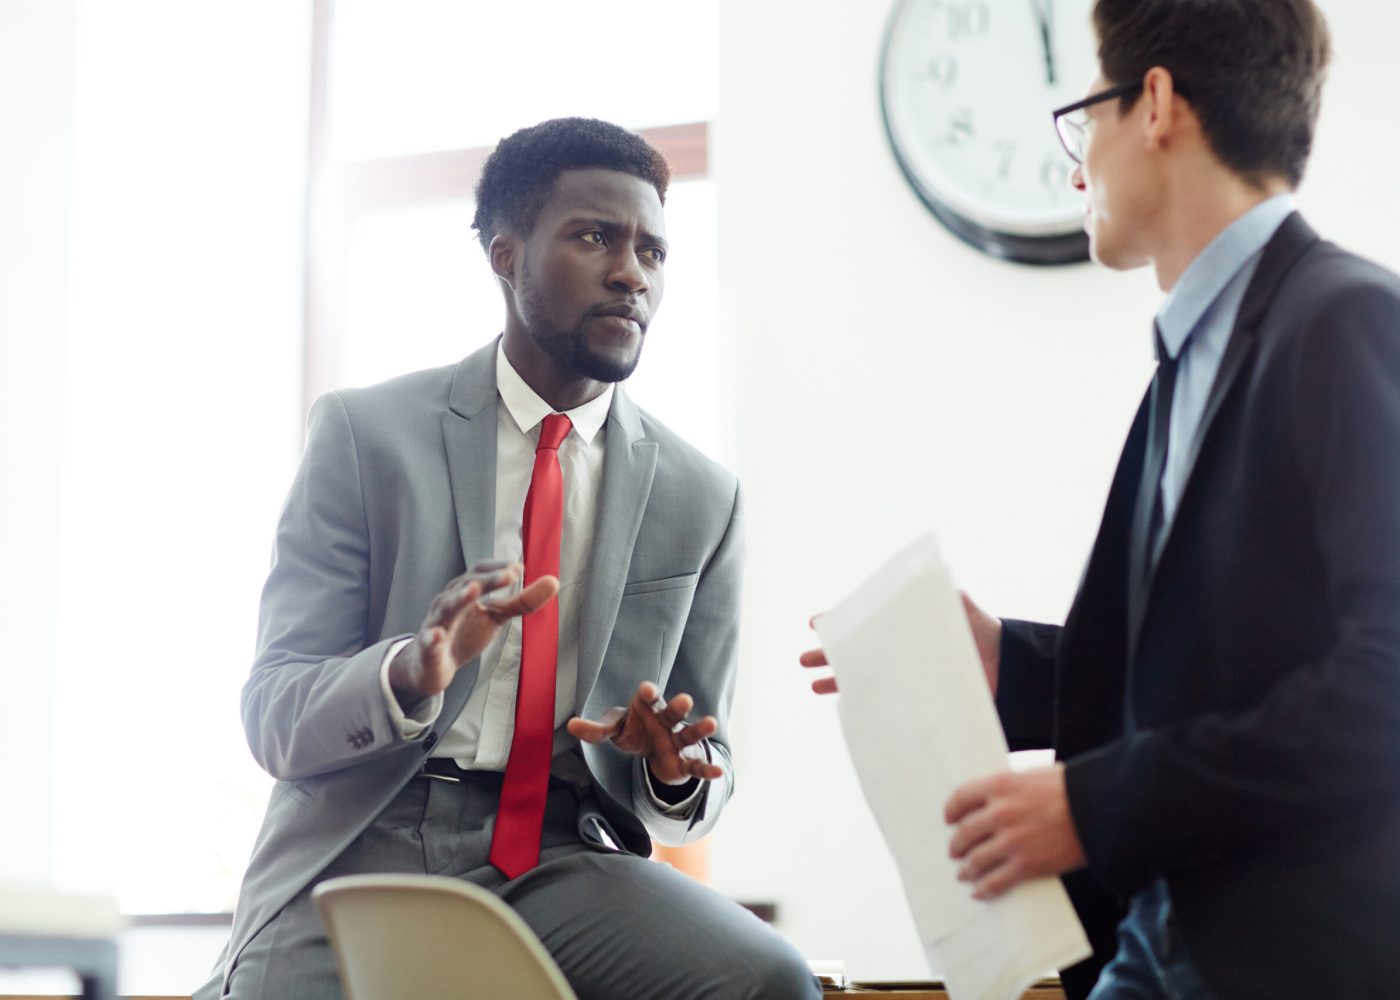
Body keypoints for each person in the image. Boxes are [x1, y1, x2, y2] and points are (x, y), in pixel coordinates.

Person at [805, 2, 1400, 998]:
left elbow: (1379, 689)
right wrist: (1015, 665)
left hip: (1287, 948)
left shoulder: (1344, 320)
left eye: (1081, 121)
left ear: (1155, 103)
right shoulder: (1190, 357)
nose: (1075, 168)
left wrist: (1091, 802)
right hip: (1161, 933)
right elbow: (1226, 668)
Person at [197, 117, 818, 1000]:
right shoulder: (365, 436)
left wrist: (674, 773)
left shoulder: (701, 498)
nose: (631, 272)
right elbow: (273, 712)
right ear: (504, 253)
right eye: (595, 237)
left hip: (561, 856)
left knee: (770, 980)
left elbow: (702, 764)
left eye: (653, 251)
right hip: (364, 838)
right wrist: (410, 671)